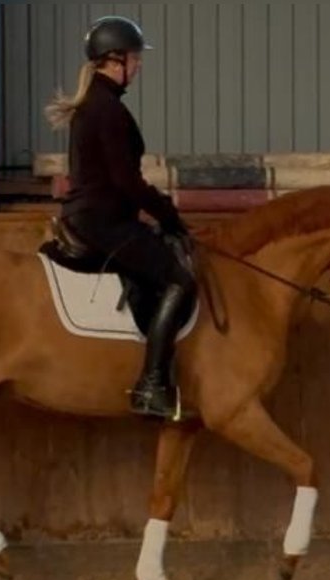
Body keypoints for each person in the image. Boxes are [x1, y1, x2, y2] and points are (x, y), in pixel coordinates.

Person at [46, 16, 195, 420]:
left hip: (97, 216)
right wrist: (169, 215)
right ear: (115, 60)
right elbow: (126, 181)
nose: (139, 65)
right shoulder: (106, 109)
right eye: (134, 58)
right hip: (103, 221)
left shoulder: (96, 103)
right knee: (180, 277)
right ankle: (151, 383)